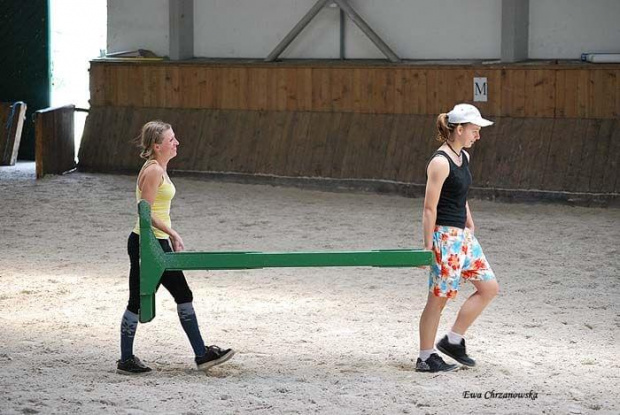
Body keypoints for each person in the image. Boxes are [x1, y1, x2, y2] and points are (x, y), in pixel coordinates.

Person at [117, 120, 235, 374]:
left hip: (156, 242)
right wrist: (172, 232)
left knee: (183, 293)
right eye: (171, 140)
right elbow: (144, 212)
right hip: (146, 243)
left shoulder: (159, 168)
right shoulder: (154, 171)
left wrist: (167, 235)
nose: (177, 142)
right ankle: (126, 360)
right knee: (136, 300)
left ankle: (201, 353)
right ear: (158, 146)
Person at [416, 104, 500, 372]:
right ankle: (426, 356)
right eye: (474, 131)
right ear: (460, 129)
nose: (478, 136)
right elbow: (430, 208)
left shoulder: (464, 157)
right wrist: (428, 247)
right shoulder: (440, 162)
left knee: (489, 288)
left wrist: (469, 219)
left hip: (463, 236)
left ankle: (453, 340)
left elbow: (459, 195)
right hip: (444, 237)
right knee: (438, 300)